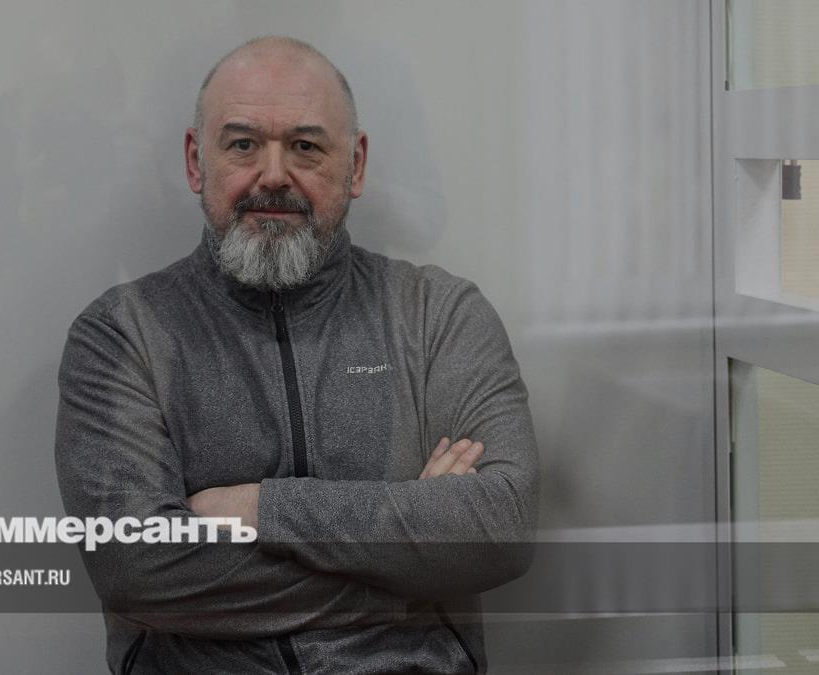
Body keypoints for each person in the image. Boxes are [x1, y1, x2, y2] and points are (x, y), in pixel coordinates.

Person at [55, 36, 538, 674]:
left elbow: (501, 527)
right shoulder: (121, 335)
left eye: (306, 146)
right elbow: (137, 569)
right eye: (243, 144)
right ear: (197, 162)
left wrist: (261, 508)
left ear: (356, 166)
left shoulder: (438, 315)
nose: (274, 174)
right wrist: (410, 570)